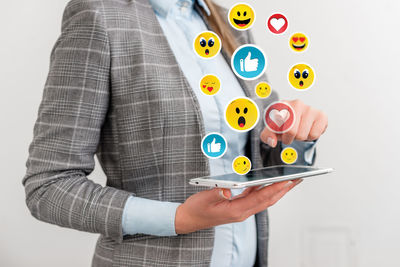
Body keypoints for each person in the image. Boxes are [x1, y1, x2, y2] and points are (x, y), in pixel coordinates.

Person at [22, 0, 328, 266]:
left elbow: (261, 152)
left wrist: (298, 134)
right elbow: (49, 186)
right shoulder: (99, 17)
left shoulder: (232, 25)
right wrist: (179, 218)